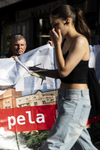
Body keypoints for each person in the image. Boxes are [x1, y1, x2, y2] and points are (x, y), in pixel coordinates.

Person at [29, 5, 97, 150]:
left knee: (55, 145)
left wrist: (57, 44)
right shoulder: (66, 41)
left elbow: (64, 71)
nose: (53, 29)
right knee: (83, 146)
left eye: (55, 24)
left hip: (75, 99)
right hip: (66, 98)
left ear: (67, 21)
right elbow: (62, 72)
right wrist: (40, 71)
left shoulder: (80, 41)